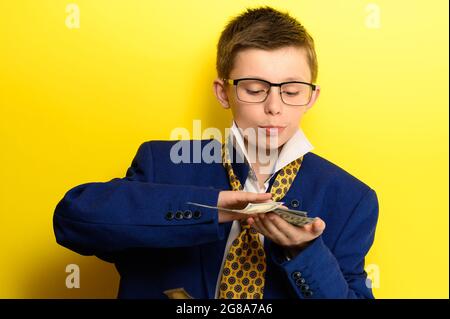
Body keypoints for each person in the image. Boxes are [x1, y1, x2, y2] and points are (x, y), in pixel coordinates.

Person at [53, 6, 379, 299]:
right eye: (255, 89)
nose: (274, 107)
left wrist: (305, 252)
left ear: (311, 97)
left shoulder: (351, 198)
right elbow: (73, 221)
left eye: (292, 91)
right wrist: (209, 208)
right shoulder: (162, 164)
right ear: (224, 93)